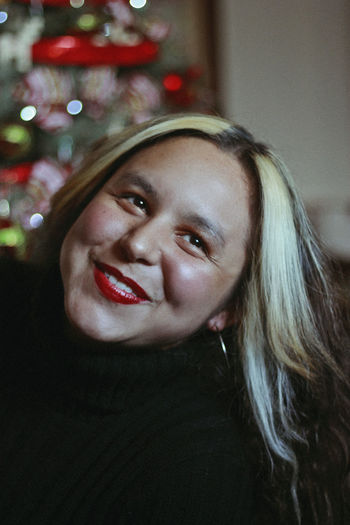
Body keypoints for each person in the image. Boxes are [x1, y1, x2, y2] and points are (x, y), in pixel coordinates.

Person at [0, 113, 349, 525]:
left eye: (195, 241)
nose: (139, 243)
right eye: (136, 200)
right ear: (88, 197)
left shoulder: (196, 469)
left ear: (229, 309)